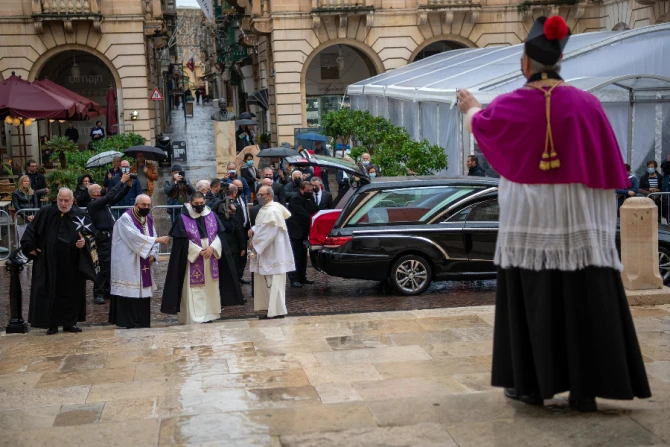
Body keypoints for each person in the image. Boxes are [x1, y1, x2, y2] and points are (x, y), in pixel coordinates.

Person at [457, 15, 650, 411]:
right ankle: (584, 390)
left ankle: (531, 386)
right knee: (583, 294)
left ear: (525, 63)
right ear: (560, 61)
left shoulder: (510, 103)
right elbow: (608, 164)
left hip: (530, 219)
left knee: (534, 294)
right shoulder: (588, 104)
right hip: (581, 220)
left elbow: (483, 125)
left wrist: (471, 107)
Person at [21, 188, 96, 335]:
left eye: (66, 201)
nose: (63, 203)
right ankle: (52, 324)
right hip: (50, 262)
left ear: (72, 200)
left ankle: (70, 323)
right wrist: (30, 247)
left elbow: (90, 235)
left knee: (72, 293)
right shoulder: (46, 212)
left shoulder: (80, 215)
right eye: (60, 200)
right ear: (56, 199)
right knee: (51, 292)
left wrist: (84, 243)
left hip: (72, 262)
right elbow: (31, 231)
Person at [162, 192, 243, 323]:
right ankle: (196, 317)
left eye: (201, 203)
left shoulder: (211, 215)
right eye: (196, 203)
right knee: (195, 288)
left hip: (211, 256)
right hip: (193, 258)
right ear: (190, 203)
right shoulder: (183, 218)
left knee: (210, 286)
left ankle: (210, 314)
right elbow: (181, 243)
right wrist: (198, 251)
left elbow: (219, 235)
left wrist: (213, 247)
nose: (199, 205)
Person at [110, 194, 169, 328]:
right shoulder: (126, 218)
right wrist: (157, 240)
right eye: (143, 205)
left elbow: (153, 235)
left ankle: (142, 321)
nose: (146, 207)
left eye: (148, 205)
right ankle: (129, 322)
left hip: (144, 260)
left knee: (143, 290)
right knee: (129, 290)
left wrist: (153, 254)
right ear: (136, 205)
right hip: (128, 260)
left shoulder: (148, 219)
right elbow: (134, 237)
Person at [248, 185, 294, 319]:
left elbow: (268, 232)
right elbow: (262, 226)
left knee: (274, 283)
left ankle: (276, 311)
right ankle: (268, 309)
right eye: (258, 194)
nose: (259, 197)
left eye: (261, 195)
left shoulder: (273, 210)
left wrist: (254, 242)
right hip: (267, 251)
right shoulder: (266, 208)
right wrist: (253, 229)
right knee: (267, 282)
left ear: (269, 196)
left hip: (273, 252)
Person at [87, 174, 131, 305]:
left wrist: (127, 186)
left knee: (111, 265)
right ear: (94, 193)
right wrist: (121, 181)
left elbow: (117, 197)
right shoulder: (94, 204)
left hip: (110, 237)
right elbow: (110, 195)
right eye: (99, 188)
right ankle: (98, 293)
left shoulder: (104, 203)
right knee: (103, 266)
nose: (101, 189)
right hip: (102, 238)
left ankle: (107, 290)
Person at [215, 184, 251, 295]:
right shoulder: (233, 206)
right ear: (234, 193)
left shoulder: (217, 204)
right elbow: (238, 227)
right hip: (233, 241)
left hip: (222, 240)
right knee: (233, 268)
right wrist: (243, 245)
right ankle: (234, 293)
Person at [287, 181, 319, 288]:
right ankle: (294, 279)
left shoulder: (309, 198)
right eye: (307, 190)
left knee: (303, 256)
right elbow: (303, 214)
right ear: (301, 190)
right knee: (295, 256)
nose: (310, 192)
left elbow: (315, 209)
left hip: (304, 232)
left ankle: (302, 277)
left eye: (311, 190)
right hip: (295, 232)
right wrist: (313, 218)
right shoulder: (295, 199)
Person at [12, 175, 38, 242]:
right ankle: (21, 249)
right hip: (21, 218)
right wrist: (26, 217)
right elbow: (17, 207)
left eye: (28, 181)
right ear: (21, 182)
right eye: (25, 181)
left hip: (32, 217)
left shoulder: (32, 192)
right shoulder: (16, 193)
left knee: (32, 237)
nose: (27, 183)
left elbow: (36, 204)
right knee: (22, 238)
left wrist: (34, 215)